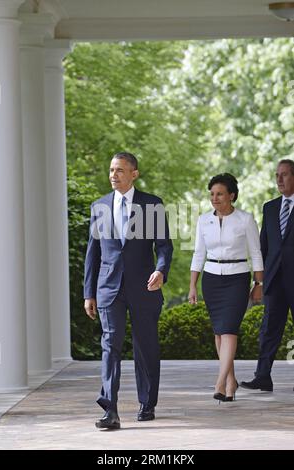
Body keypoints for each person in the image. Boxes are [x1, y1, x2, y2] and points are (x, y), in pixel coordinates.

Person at [84, 152, 173, 429]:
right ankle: (109, 409)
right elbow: (93, 253)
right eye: (111, 170)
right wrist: (89, 292)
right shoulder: (99, 206)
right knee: (110, 345)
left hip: (145, 286)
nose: (113, 175)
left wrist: (161, 270)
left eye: (120, 170)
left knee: (145, 346)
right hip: (109, 288)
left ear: (134, 173)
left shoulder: (151, 205)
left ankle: (147, 403)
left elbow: (164, 246)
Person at [188, 173, 264, 402]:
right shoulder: (203, 220)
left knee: (229, 330)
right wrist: (193, 285)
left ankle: (220, 381)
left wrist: (259, 283)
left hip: (237, 279)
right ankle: (231, 382)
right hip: (211, 280)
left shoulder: (245, 219)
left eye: (219, 194)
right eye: (212, 194)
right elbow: (198, 253)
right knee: (219, 333)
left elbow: (256, 253)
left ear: (232, 195)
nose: (215, 198)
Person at [240, 159, 294, 392]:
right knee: (269, 329)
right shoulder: (270, 208)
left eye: (284, 175)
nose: (279, 180)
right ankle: (263, 376)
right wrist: (258, 280)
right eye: (277, 175)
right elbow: (263, 247)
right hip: (273, 280)